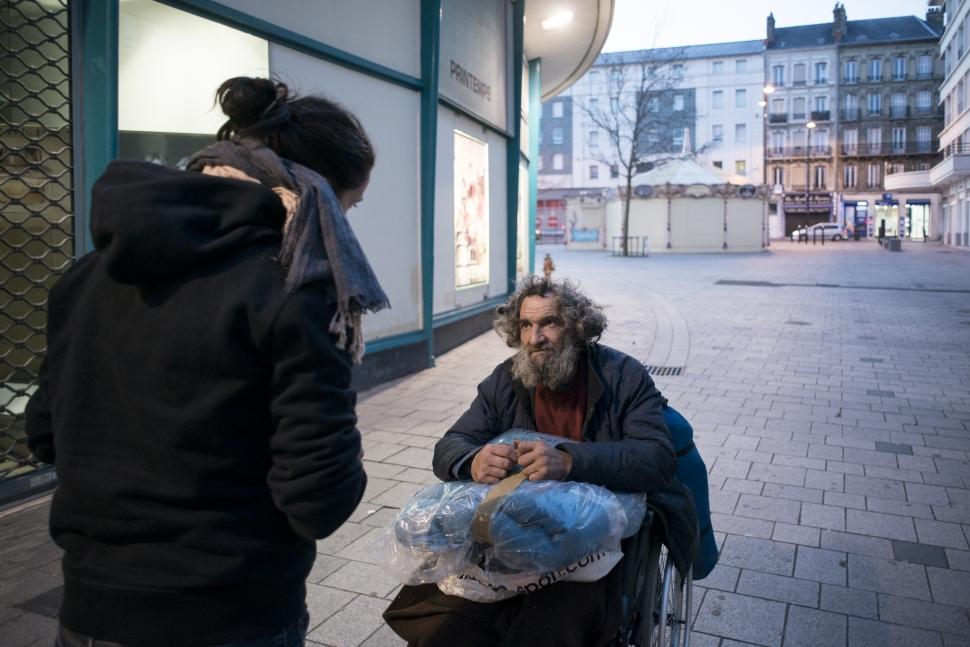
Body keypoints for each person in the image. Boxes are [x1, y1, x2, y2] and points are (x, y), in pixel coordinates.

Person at [25, 77, 389, 647]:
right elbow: (318, 498)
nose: (345, 226)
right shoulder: (293, 291)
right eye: (349, 206)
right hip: (231, 613)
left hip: (90, 610)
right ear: (313, 189)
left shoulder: (85, 276)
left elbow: (45, 434)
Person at [383, 276, 676, 647]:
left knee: (546, 629)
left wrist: (569, 462)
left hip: (586, 543)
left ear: (577, 327)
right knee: (445, 622)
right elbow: (450, 444)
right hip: (509, 534)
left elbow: (656, 458)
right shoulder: (507, 380)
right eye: (526, 325)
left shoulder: (623, 376)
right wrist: (473, 460)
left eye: (549, 323)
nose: (535, 338)